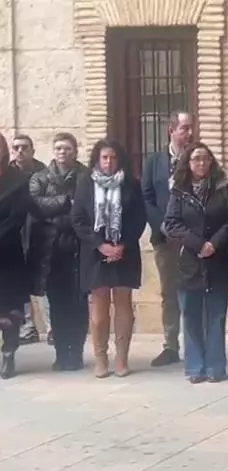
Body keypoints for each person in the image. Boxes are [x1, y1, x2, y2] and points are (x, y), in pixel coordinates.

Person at [164, 142, 228, 383]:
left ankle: (215, 367)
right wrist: (198, 244)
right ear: (188, 163)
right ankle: (195, 367)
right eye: (196, 159)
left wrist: (214, 243)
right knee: (191, 314)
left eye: (205, 159)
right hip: (190, 262)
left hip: (217, 260)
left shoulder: (223, 189)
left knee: (216, 315)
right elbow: (172, 223)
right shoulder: (179, 191)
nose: (201, 163)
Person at [71, 139, 146, 378]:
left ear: (119, 159)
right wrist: (101, 245)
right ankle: (101, 358)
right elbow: (78, 219)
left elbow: (139, 219)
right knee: (99, 308)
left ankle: (121, 359)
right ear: (97, 159)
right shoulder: (85, 183)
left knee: (123, 305)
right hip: (95, 253)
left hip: (125, 251)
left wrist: (122, 245)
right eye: (104, 157)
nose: (108, 162)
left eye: (112, 157)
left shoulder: (131, 184)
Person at [30, 132, 90, 371]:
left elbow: (86, 208)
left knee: (78, 304)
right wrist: (66, 202)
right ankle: (60, 352)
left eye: (67, 148)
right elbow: (36, 205)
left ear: (75, 151)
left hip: (78, 248)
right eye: (58, 149)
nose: (62, 153)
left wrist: (58, 209)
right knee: (57, 305)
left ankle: (75, 352)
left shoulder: (86, 177)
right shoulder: (40, 178)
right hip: (51, 251)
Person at [143, 111, 195, 367]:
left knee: (194, 291)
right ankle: (171, 345)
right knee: (169, 292)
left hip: (192, 238)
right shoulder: (154, 162)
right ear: (171, 130)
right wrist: (162, 226)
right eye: (184, 128)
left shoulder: (198, 158)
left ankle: (196, 344)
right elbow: (147, 197)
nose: (189, 133)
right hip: (164, 239)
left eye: (191, 128)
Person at [9, 134, 48, 346]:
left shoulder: (45, 174)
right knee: (18, 285)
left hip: (41, 233)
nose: (20, 151)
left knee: (46, 280)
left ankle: (52, 328)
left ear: (33, 150)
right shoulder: (6, 175)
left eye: (25, 147)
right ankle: (27, 328)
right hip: (15, 236)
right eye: (16, 147)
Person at [0, 135, 32, 378]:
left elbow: (16, 218)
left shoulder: (18, 181)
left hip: (8, 253)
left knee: (10, 307)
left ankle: (9, 353)